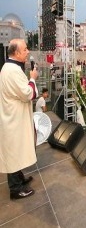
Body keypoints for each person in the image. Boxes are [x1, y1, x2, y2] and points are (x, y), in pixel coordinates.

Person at [0, 38, 38, 200]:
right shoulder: (12, 71)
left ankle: (19, 179)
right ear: (16, 53)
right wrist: (33, 78)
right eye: (25, 50)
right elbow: (28, 94)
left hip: (14, 117)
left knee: (17, 149)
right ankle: (15, 189)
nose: (28, 52)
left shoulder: (10, 68)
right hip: (13, 120)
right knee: (14, 152)